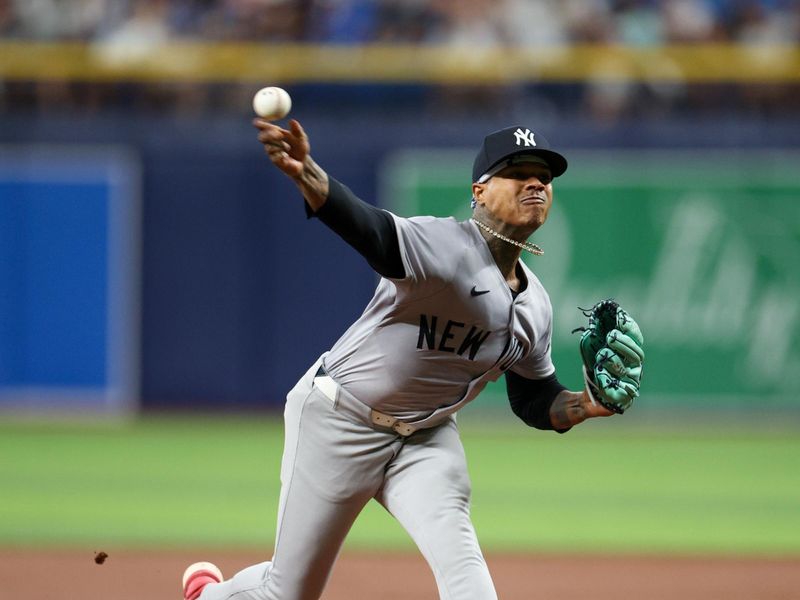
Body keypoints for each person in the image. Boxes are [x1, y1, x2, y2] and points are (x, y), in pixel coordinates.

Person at [181, 119, 633, 600]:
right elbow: (366, 227)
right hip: (340, 421)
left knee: (470, 586)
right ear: (478, 191)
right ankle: (210, 594)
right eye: (518, 171)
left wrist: (585, 404)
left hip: (426, 440)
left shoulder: (536, 306)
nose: (537, 182)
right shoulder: (442, 247)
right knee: (286, 594)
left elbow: (532, 396)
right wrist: (306, 172)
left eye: (544, 176)